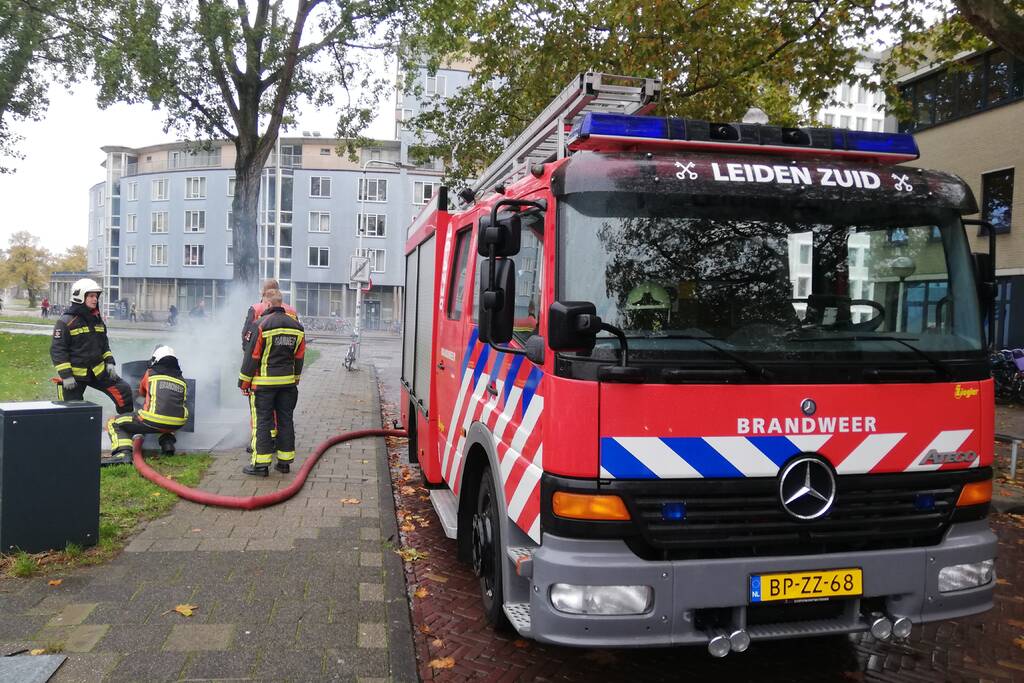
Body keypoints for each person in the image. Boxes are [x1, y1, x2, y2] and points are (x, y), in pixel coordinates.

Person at [238, 289, 305, 476]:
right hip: (288, 384)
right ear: (281, 304)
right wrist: (296, 378)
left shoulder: (260, 325)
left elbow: (252, 356)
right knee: (285, 420)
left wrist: (244, 382)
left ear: (267, 304)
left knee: (263, 422)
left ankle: (260, 465)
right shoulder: (297, 327)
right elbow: (299, 357)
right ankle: (284, 463)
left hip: (264, 385)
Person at [50, 278, 133, 414]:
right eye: (91, 296)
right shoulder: (66, 321)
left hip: (98, 371)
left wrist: (110, 362)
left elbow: (104, 345)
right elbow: (58, 350)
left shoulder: (97, 320)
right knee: (71, 412)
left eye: (96, 296)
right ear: (79, 297)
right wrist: (66, 376)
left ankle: (126, 424)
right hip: (74, 376)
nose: (95, 299)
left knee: (124, 390)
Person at [105, 345, 188, 465]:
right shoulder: (182, 380)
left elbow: (141, 393)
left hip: (152, 420)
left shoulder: (150, 373)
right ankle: (167, 443)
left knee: (113, 422)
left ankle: (123, 453)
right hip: (178, 423)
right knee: (168, 411)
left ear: (156, 360)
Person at [241, 278, 298, 350]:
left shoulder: (255, 309)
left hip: (262, 355)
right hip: (287, 354)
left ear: (263, 292)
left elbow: (245, 334)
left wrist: (246, 352)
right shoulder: (292, 311)